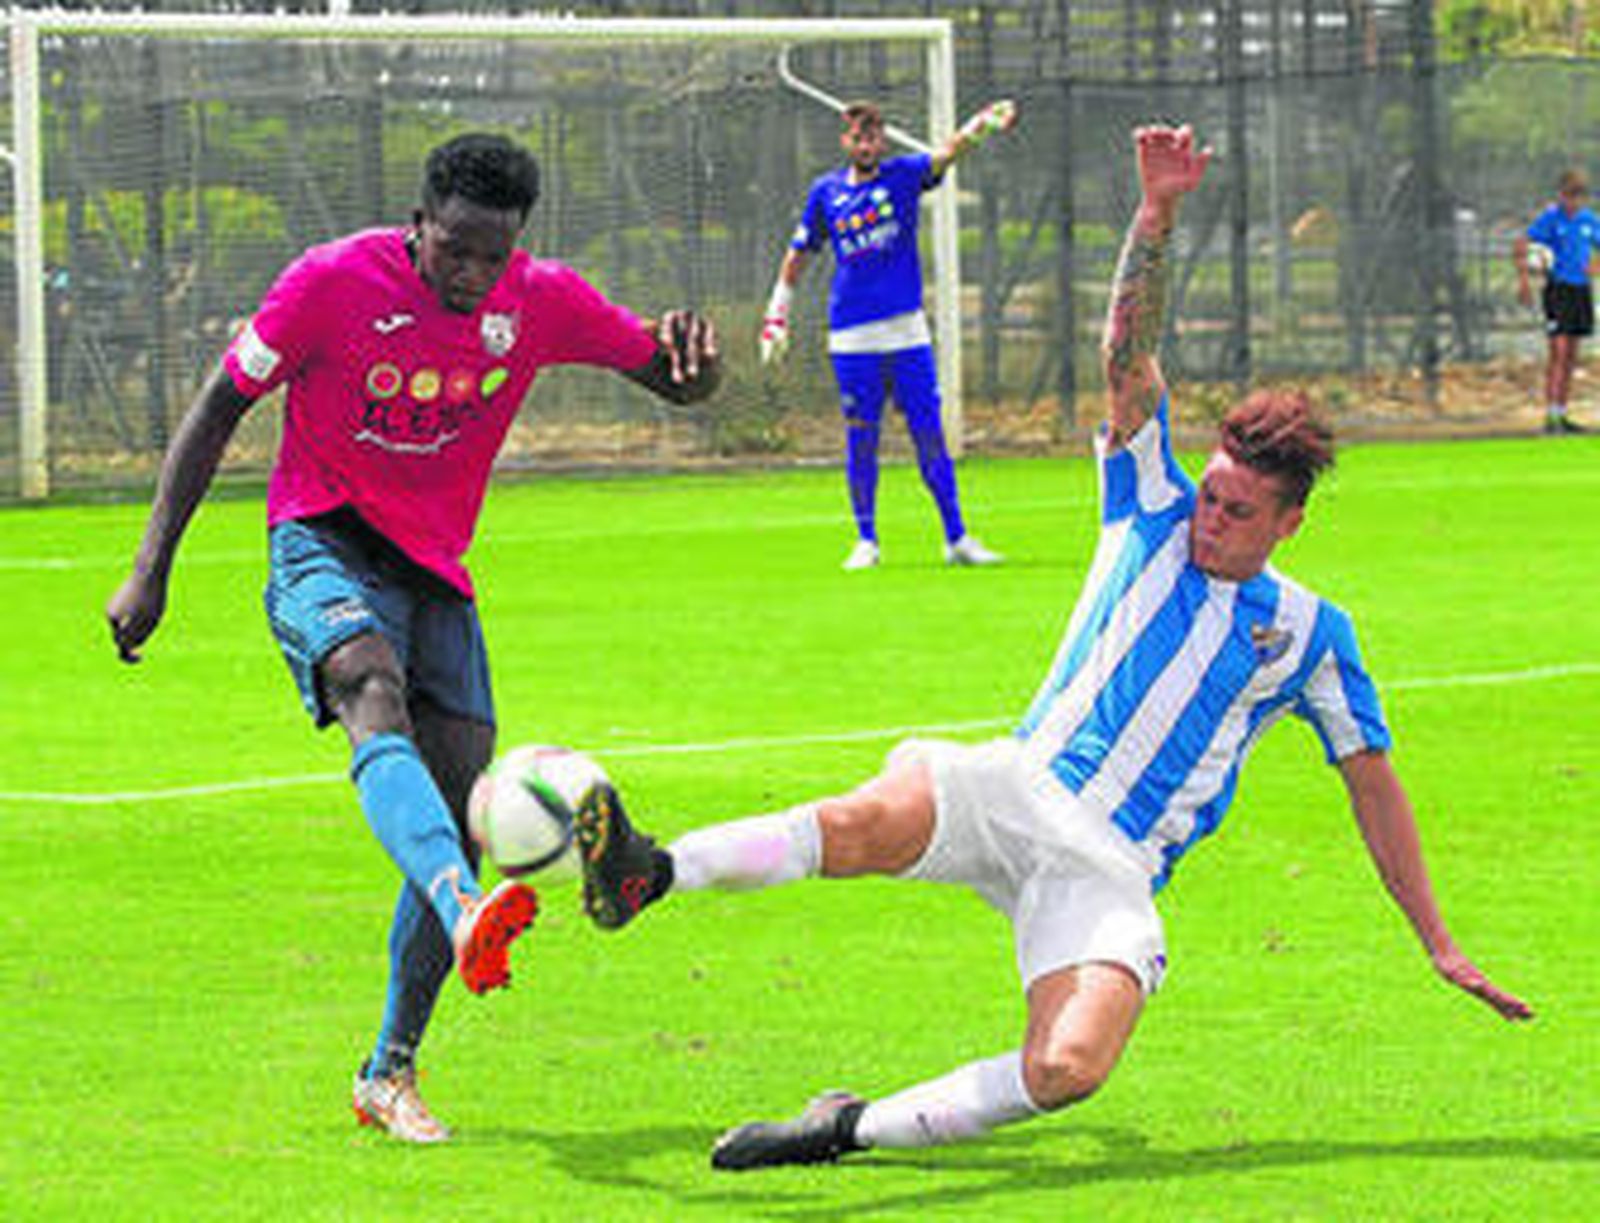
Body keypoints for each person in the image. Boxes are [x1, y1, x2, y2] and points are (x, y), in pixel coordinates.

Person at [570, 124, 1533, 1171]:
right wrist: (1155, 215)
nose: (1210, 518)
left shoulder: (1310, 635)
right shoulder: (1150, 502)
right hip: (1014, 786)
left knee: (1070, 1066)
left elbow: (1374, 787)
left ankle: (842, 1124)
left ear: (1288, 522)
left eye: (1239, 511)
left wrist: (1438, 939)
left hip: (1109, 867)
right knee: (860, 822)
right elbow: (1126, 355)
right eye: (1212, 495)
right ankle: (651, 870)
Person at [105, 133, 720, 1144]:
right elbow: (219, 407)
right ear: (418, 222)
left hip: (435, 570)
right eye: (454, 249)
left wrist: (698, 361)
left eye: (493, 255)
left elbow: (673, 377)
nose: (472, 274)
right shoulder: (328, 282)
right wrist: (150, 567)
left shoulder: (541, 299)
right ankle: (462, 902)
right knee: (368, 686)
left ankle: (387, 1071)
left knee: (461, 801)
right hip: (323, 536)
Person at [759, 99, 1017, 571]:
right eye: (859, 137)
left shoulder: (902, 176)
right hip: (852, 336)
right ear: (846, 141)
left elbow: (947, 153)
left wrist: (980, 127)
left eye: (874, 136)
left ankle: (957, 538)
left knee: (929, 433)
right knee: (861, 437)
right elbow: (799, 255)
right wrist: (777, 313)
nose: (867, 145)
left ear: (883, 140)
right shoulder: (825, 192)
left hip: (907, 333)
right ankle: (867, 540)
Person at [1514, 168, 1599, 433]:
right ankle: (1551, 416)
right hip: (1557, 290)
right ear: (1560, 194)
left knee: (1571, 354)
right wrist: (1524, 280)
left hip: (1580, 290)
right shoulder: (1550, 219)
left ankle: (1562, 414)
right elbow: (1522, 243)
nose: (1572, 201)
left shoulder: (1588, 220)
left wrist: (1595, 265)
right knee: (1558, 352)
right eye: (1568, 195)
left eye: (1578, 196)